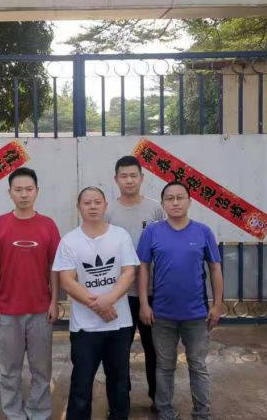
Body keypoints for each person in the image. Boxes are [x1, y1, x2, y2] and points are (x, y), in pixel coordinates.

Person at [136, 181, 224, 420]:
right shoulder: (152, 232)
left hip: (196, 315)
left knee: (198, 366)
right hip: (162, 315)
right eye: (169, 198)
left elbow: (215, 268)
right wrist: (144, 304)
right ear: (162, 203)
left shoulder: (203, 231)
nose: (175, 202)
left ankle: (202, 413)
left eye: (180, 197)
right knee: (164, 367)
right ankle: (165, 411)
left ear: (189, 202)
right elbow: (143, 268)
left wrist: (217, 305)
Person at [53, 186, 139, 420]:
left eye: (97, 202)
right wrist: (100, 307)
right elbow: (67, 281)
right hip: (85, 328)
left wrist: (108, 301)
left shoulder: (120, 236)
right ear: (79, 207)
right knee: (81, 384)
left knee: (119, 383)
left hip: (119, 324)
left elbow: (129, 273)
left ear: (105, 206)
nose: (93, 206)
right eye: (87, 202)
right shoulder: (69, 241)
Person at [0, 167, 61, 420]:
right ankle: (14, 413)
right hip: (8, 310)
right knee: (9, 369)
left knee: (41, 369)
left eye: (29, 189)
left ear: (37, 191)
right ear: (10, 193)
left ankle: (38, 412)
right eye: (18, 190)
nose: (24, 194)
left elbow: (55, 266)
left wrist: (54, 301)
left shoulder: (48, 225)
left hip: (40, 310)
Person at [105, 155, 164, 410]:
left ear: (142, 178)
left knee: (155, 350)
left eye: (133, 175)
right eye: (124, 176)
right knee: (118, 352)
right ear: (116, 179)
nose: (129, 180)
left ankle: (158, 399)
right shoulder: (108, 211)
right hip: (119, 294)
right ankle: (120, 402)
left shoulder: (155, 209)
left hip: (152, 293)